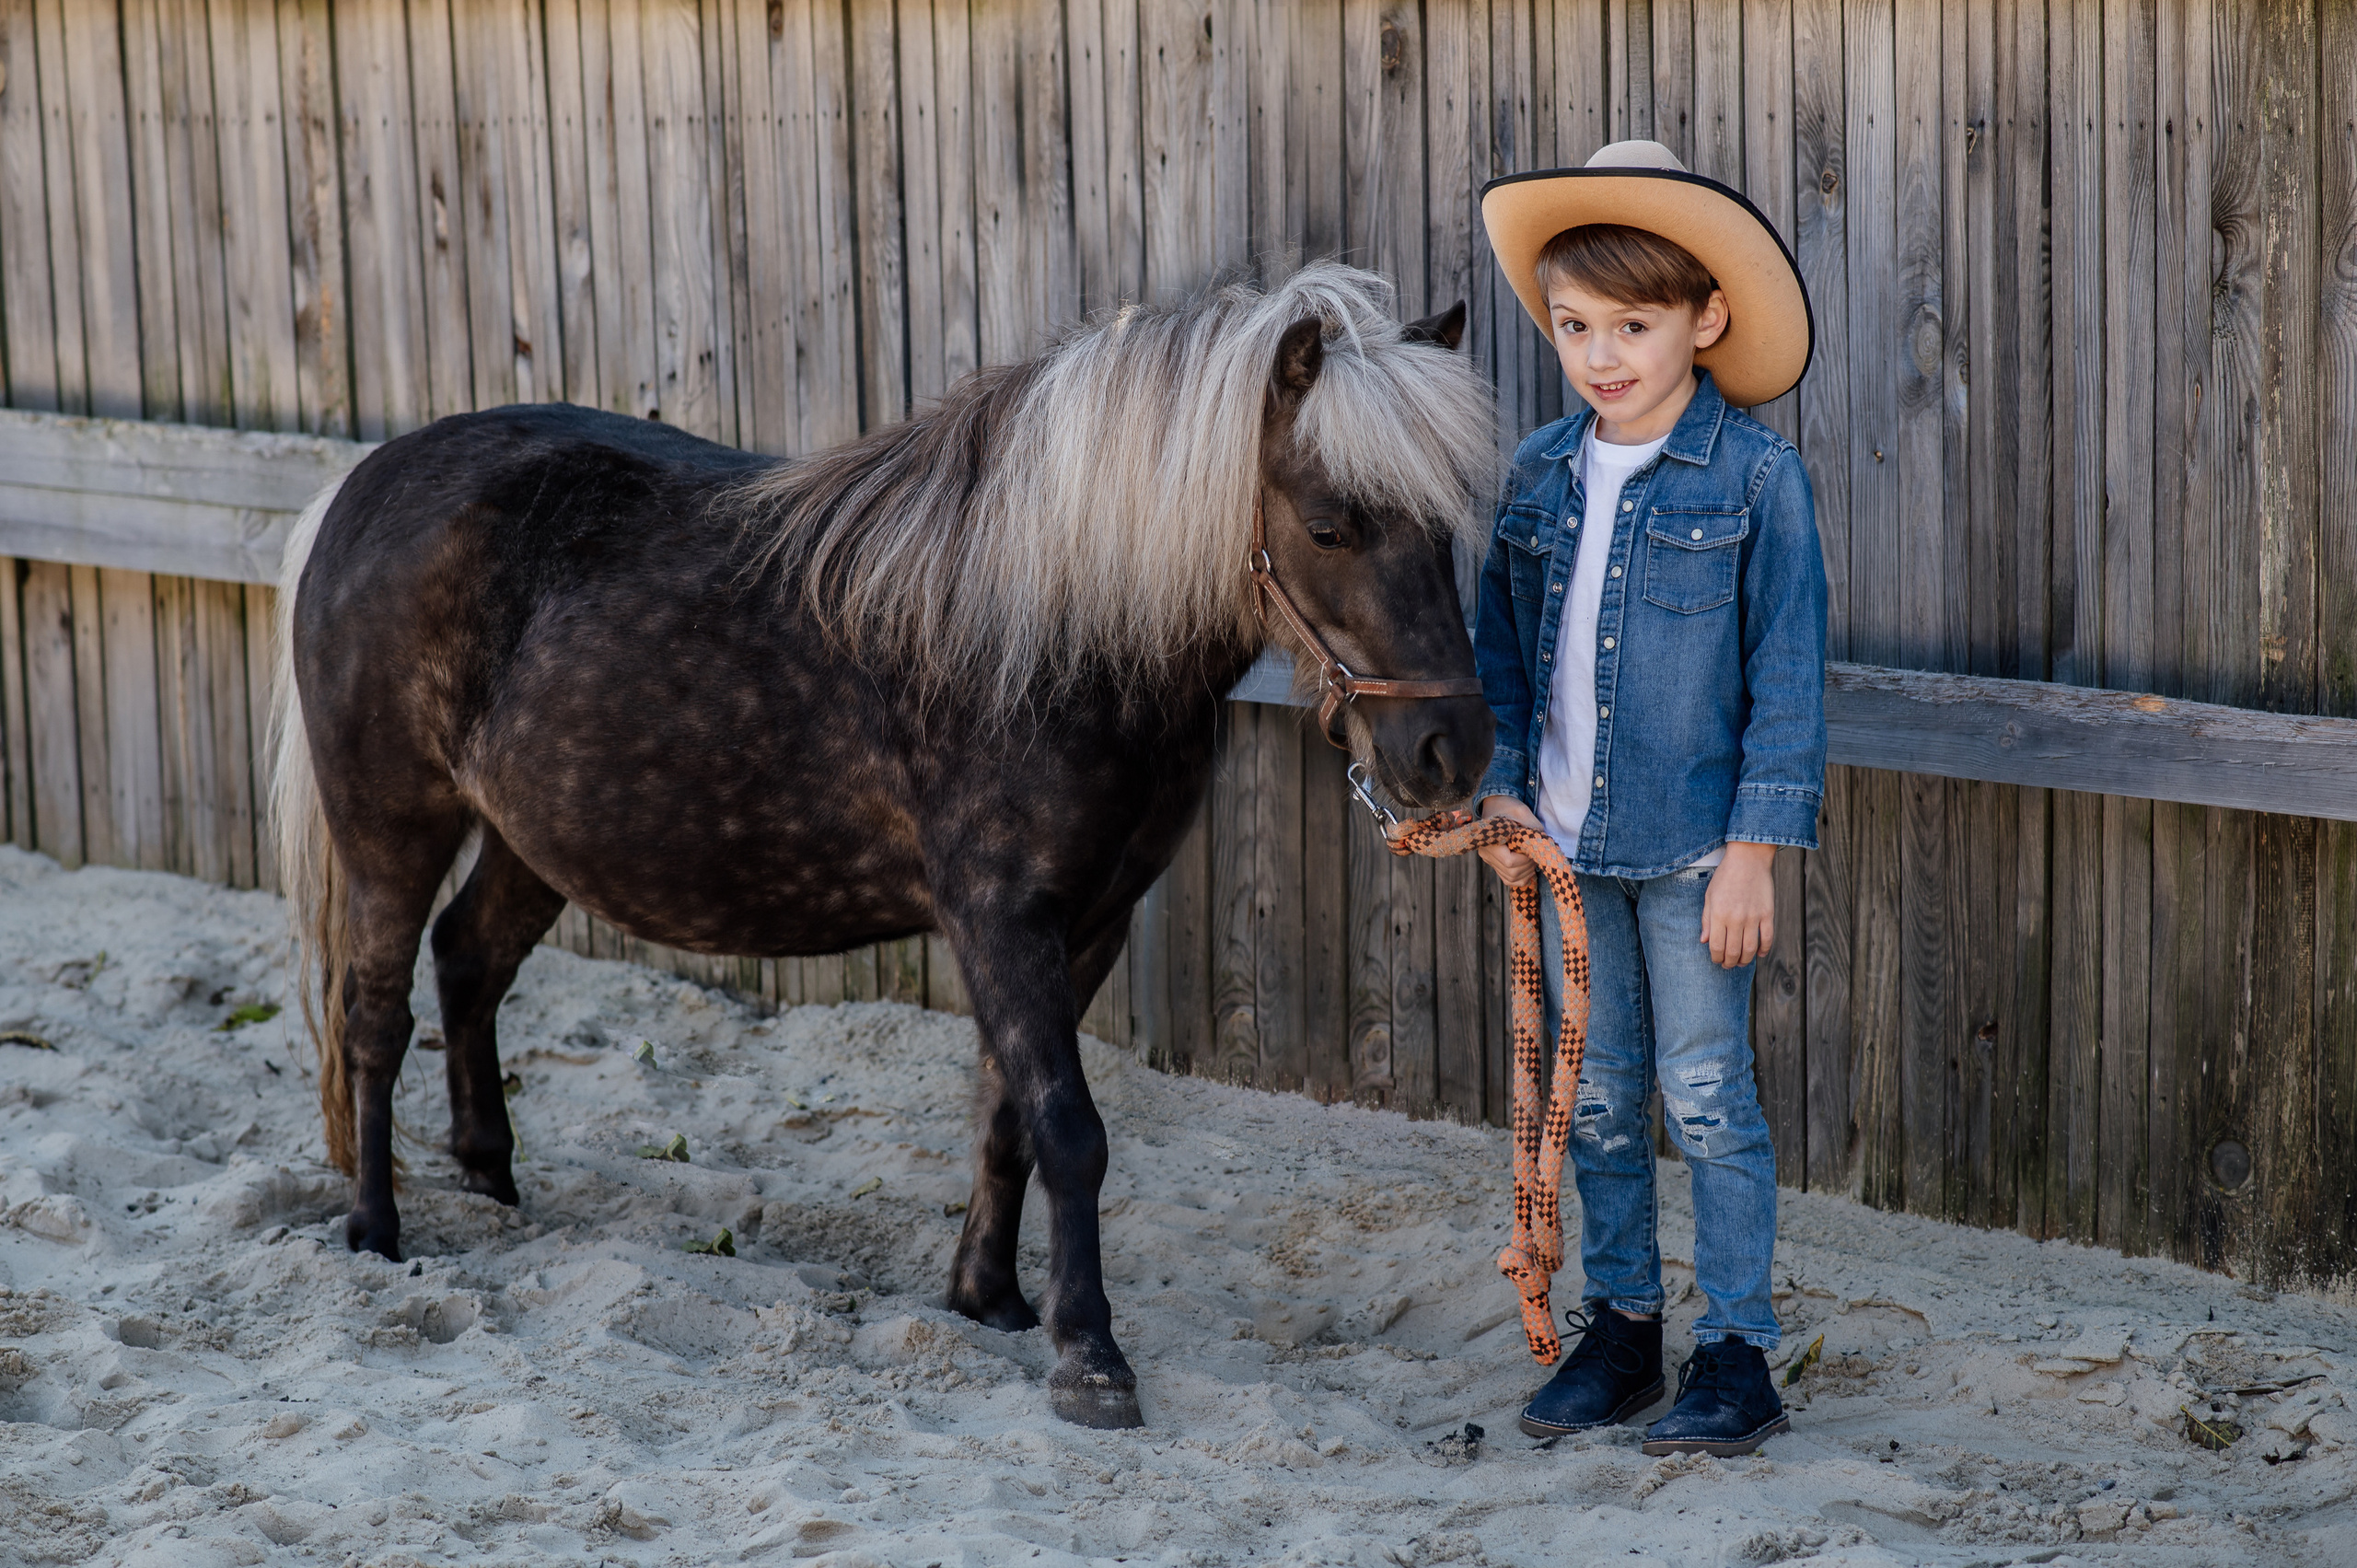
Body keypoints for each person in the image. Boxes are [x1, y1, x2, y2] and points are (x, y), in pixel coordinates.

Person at [1469, 141, 1827, 1458]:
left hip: (1691, 854)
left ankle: (1736, 1352)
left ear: (1704, 320)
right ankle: (1623, 1331)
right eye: (1575, 326)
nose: (1601, 354)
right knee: (1602, 1099)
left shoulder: (1756, 479)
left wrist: (1755, 851)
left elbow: (1788, 674)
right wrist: (1501, 791)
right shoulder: (1538, 475)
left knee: (1709, 1093)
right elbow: (1501, 657)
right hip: (1566, 849)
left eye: (1633, 324)